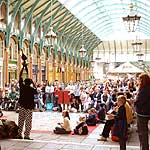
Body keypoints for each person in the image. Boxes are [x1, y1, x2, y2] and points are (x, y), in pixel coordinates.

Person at [17, 65, 37, 140]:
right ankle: (26, 135)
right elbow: (36, 91)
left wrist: (23, 68)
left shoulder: (22, 87)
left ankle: (19, 134)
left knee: (21, 120)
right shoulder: (32, 89)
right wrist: (33, 83)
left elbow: (19, 76)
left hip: (22, 106)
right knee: (28, 122)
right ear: (30, 83)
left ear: (25, 82)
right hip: (29, 107)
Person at [134, 73, 150, 150]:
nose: (138, 81)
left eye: (139, 79)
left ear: (142, 80)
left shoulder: (144, 89)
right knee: (144, 132)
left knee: (142, 132)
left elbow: (138, 102)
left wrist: (134, 99)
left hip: (142, 113)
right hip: (147, 112)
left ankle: (144, 148)